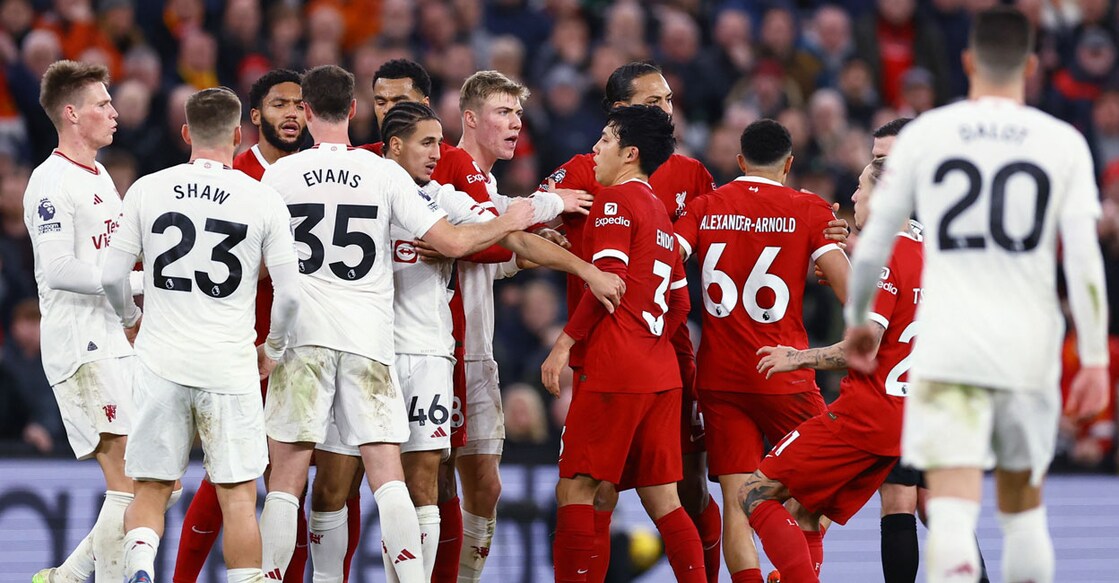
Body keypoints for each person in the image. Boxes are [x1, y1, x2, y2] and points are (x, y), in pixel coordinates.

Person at [845, 7, 1110, 583]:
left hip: (952, 341)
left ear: (966, 62)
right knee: (1021, 508)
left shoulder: (930, 137)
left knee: (953, 508)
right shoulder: (1061, 141)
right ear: (1032, 65)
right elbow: (1085, 259)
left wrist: (860, 322)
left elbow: (873, 242)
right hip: (1026, 338)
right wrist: (1092, 356)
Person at [310, 100, 624, 583]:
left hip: (429, 355)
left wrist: (573, 249)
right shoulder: (362, 192)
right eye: (428, 142)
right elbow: (496, 229)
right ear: (395, 146)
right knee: (333, 485)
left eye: (440, 140)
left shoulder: (442, 198)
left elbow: (511, 233)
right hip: (363, 352)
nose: (440, 152)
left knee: (423, 484)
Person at [256, 64, 536, 583]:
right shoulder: (382, 174)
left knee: (287, 482)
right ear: (356, 110)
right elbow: (452, 242)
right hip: (369, 342)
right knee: (390, 481)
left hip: (304, 343)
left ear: (308, 111)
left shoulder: (280, 176)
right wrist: (509, 219)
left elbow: (259, 264)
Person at [103, 86, 301, 583]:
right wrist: (271, 350)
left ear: (187, 132)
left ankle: (142, 566)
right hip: (229, 365)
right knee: (237, 497)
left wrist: (131, 318)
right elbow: (291, 294)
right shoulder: (262, 198)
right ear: (238, 135)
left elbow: (110, 275)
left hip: (160, 359)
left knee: (149, 487)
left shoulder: (148, 188)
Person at [543, 62, 723, 582]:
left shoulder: (618, 198)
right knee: (660, 495)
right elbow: (680, 302)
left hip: (615, 359)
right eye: (655, 101)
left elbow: (608, 281)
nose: (668, 109)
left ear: (628, 150)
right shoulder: (649, 206)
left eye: (670, 100)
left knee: (577, 488)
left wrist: (563, 343)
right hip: (659, 360)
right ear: (623, 110)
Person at [672, 119, 849, 583]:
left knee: (737, 502)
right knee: (823, 489)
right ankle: (799, 572)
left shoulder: (705, 206)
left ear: (739, 162)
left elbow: (666, 257)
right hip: (785, 374)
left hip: (720, 376)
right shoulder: (809, 209)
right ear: (789, 165)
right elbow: (855, 291)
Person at [742, 157, 919, 583]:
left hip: (865, 417)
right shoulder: (924, 254)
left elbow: (863, 347)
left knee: (754, 492)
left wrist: (796, 357)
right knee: (805, 508)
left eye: (861, 187)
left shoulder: (885, 255)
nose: (854, 196)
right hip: (905, 421)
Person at [173, 67, 315, 583]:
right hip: (243, 348)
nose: (293, 114)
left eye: (300, 105)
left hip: (305, 347)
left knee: (302, 479)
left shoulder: (316, 173)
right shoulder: (233, 177)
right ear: (253, 118)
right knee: (229, 476)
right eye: (281, 104)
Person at [25, 60, 161, 583]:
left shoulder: (101, 173)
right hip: (79, 344)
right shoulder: (48, 182)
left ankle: (65, 578)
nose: (113, 112)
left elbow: (114, 259)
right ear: (71, 113)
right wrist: (138, 284)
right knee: (129, 480)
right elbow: (58, 269)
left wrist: (133, 308)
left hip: (112, 339)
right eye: (102, 104)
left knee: (159, 483)